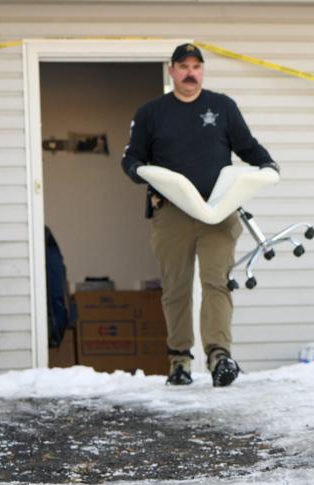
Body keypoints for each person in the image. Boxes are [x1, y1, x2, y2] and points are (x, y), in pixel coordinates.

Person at [121, 43, 279, 387]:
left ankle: (219, 357)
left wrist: (267, 165)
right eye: (183, 66)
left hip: (218, 211)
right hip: (171, 213)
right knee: (176, 288)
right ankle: (179, 361)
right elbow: (132, 157)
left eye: (196, 66)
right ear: (171, 71)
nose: (190, 72)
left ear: (202, 71)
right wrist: (137, 170)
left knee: (216, 282)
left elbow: (247, 146)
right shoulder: (151, 113)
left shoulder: (222, 107)